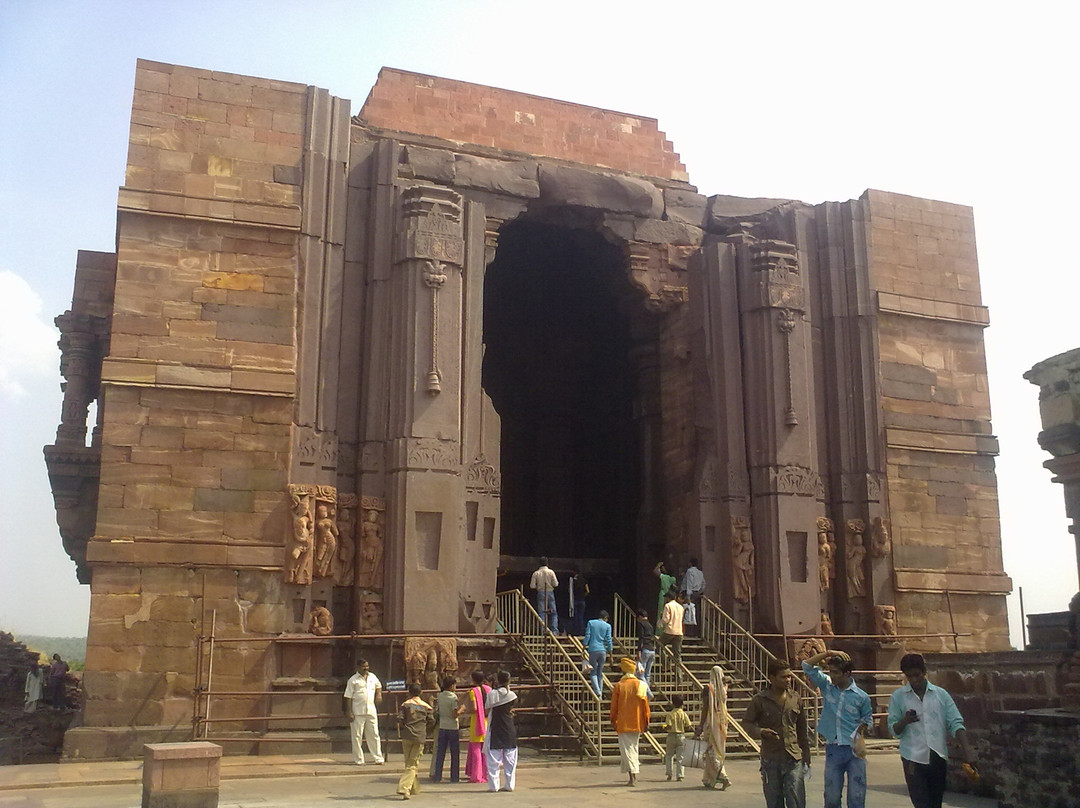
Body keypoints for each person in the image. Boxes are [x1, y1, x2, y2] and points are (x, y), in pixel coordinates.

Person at [887, 653, 976, 808]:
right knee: (921, 803)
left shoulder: (941, 695)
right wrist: (905, 721)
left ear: (924, 672)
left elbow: (955, 722)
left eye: (917, 675)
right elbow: (894, 729)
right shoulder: (898, 697)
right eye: (909, 676)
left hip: (937, 756)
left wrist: (967, 751)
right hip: (912, 758)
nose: (914, 680)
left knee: (935, 803)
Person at [802, 649, 873, 808]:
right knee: (832, 796)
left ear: (847, 673)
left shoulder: (861, 697)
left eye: (836, 672)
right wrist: (828, 653)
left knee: (857, 796)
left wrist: (863, 728)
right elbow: (806, 666)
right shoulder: (827, 686)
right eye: (830, 672)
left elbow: (868, 719)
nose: (832, 675)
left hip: (855, 750)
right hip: (834, 747)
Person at [743, 658, 812, 808]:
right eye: (784, 677)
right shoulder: (759, 700)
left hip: (793, 758)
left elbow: (802, 729)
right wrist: (761, 732)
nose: (788, 680)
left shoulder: (795, 699)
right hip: (771, 759)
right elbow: (747, 724)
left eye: (789, 676)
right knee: (774, 801)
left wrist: (806, 755)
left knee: (796, 799)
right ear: (772, 678)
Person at [609, 657, 650, 787]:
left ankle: (633, 776)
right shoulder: (641, 685)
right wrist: (646, 721)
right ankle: (632, 775)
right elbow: (645, 706)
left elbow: (614, 707)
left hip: (623, 723)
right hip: (638, 723)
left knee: (627, 751)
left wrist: (613, 719)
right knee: (633, 749)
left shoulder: (619, 686)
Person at [695, 665, 732, 790]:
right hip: (722, 724)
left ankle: (723, 776)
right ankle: (709, 779)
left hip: (711, 723)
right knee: (718, 750)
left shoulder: (708, 689)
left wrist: (700, 725)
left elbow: (705, 709)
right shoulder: (724, 689)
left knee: (712, 750)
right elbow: (730, 680)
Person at [343, 658, 385, 765]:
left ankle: (378, 758)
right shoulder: (353, 680)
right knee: (357, 736)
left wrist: (379, 694)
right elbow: (348, 697)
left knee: (374, 734)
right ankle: (359, 760)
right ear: (358, 668)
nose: (366, 668)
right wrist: (349, 712)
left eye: (367, 666)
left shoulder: (372, 677)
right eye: (363, 666)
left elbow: (378, 686)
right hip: (357, 712)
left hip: (371, 710)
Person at [397, 682, 435, 800]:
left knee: (409, 763)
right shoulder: (426, 706)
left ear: (409, 692)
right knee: (412, 764)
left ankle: (413, 788)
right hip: (419, 737)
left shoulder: (405, 705)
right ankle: (405, 789)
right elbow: (432, 721)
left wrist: (406, 727)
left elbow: (400, 719)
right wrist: (424, 730)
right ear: (421, 692)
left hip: (407, 736)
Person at [484, 670, 519, 793]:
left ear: (498, 680)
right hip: (509, 727)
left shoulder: (492, 694)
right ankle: (510, 785)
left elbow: (487, 710)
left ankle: (494, 786)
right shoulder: (512, 695)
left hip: (495, 726)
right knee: (510, 759)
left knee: (493, 759)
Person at [461, 670, 491, 783]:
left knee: (476, 750)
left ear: (473, 679)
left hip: (477, 722)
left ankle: (476, 775)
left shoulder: (473, 691)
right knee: (486, 750)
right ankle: (486, 773)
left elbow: (474, 708)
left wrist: (465, 709)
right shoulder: (488, 689)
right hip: (487, 721)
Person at [430, 676, 460, 783]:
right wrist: (462, 709)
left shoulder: (440, 696)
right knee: (454, 754)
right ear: (452, 686)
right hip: (452, 727)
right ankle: (454, 777)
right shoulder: (453, 698)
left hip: (442, 726)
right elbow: (454, 714)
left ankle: (437, 775)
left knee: (440, 753)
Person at [656, 590, 685, 681]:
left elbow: (666, 619)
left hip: (669, 630)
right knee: (677, 655)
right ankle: (679, 677)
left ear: (668, 598)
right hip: (679, 631)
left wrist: (661, 618)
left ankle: (666, 664)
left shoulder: (667, 606)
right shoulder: (681, 607)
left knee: (659, 646)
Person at [662, 693, 692, 782]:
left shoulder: (670, 714)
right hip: (681, 735)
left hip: (671, 735)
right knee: (680, 757)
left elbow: (668, 725)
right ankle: (680, 775)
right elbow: (688, 725)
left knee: (669, 755)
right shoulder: (683, 714)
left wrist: (664, 727)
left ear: (672, 703)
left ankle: (669, 774)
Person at [583, 610, 613, 696]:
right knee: (600, 672)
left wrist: (584, 647)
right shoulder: (608, 626)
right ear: (605, 618)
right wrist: (610, 654)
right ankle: (600, 692)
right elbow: (609, 640)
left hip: (593, 649)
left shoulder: (591, 623)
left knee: (593, 672)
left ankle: (597, 692)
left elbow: (587, 635)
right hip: (603, 650)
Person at [530, 557, 559, 632]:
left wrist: (538, 586)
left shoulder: (536, 573)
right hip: (550, 592)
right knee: (553, 612)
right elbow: (555, 584)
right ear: (547, 563)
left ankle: (543, 630)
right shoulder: (551, 572)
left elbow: (532, 586)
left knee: (542, 613)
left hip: (540, 592)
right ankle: (554, 630)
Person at [680, 558, 705, 636]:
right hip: (697, 593)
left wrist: (688, 595)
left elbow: (689, 583)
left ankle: (688, 633)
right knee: (696, 613)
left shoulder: (690, 571)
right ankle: (696, 633)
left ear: (690, 563)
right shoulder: (700, 573)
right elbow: (703, 584)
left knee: (688, 612)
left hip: (690, 594)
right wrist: (699, 591)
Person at [635, 608, 657, 691]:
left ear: (640, 616)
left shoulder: (641, 623)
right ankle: (646, 692)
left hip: (645, 649)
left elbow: (641, 637)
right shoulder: (650, 625)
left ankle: (647, 692)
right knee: (647, 674)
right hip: (652, 650)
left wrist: (638, 650)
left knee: (641, 673)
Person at [567, 567, 589, 636]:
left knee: (575, 617)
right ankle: (581, 632)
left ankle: (575, 632)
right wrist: (583, 595)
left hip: (575, 600)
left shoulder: (573, 581)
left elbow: (569, 590)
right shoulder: (583, 580)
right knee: (581, 617)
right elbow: (588, 591)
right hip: (582, 600)